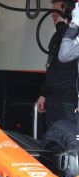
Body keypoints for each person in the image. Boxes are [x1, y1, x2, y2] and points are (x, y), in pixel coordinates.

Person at [36, 0, 78, 130]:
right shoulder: (58, 34)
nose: (53, 16)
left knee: (67, 135)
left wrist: (62, 24)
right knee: (53, 137)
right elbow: (51, 66)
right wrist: (44, 93)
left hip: (68, 97)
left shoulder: (72, 34)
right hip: (54, 96)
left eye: (56, 12)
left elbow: (65, 53)